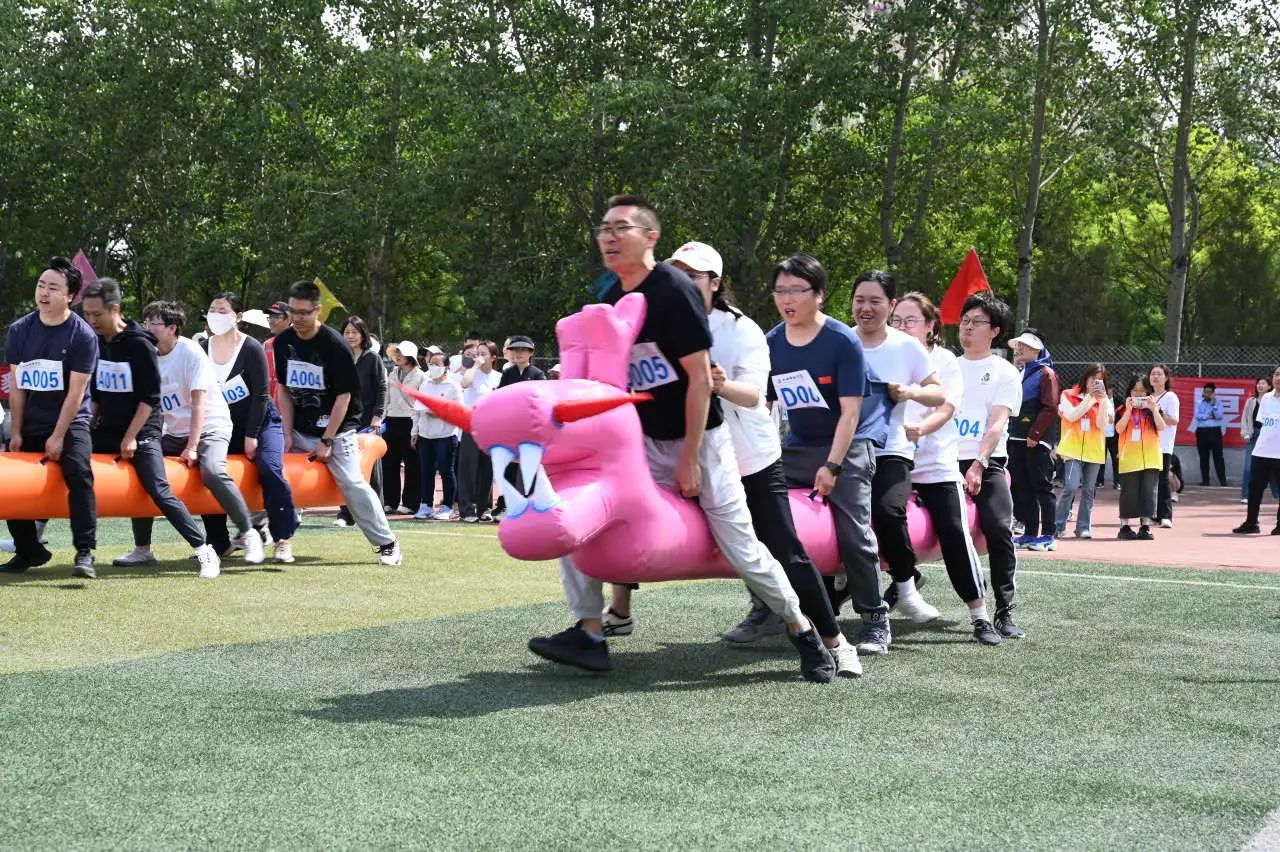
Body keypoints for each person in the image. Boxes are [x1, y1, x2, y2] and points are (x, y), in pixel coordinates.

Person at [527, 196, 834, 682]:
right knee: (576, 517)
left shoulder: (674, 291)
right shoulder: (612, 297)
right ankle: (589, 631)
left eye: (621, 228)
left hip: (703, 439)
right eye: (604, 228)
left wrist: (689, 458)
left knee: (742, 547)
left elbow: (699, 381)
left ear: (650, 237)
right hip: (643, 443)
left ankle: (802, 630)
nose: (609, 237)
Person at [608, 241, 861, 676]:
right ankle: (615, 613)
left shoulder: (741, 330)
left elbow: (756, 395)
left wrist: (718, 385)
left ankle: (835, 642)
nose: (682, 282)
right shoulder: (657, 317)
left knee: (783, 549)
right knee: (626, 507)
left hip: (749, 459)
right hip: (686, 451)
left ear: (715, 283)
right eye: (676, 273)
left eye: (693, 276)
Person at [765, 253, 894, 656]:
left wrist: (832, 466)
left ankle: (874, 617)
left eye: (797, 290)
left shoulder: (842, 341)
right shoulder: (771, 343)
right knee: (764, 519)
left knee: (854, 534)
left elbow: (851, 413)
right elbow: (764, 404)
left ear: (819, 294)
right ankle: (765, 610)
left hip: (848, 446)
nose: (787, 299)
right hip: (797, 447)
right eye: (780, 291)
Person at [78, 280, 221, 577]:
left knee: (157, 488)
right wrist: (84, 426)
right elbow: (98, 396)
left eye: (96, 314)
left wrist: (131, 437)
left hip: (143, 431)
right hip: (108, 429)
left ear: (114, 309)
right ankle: (34, 539)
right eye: (87, 314)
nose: (91, 320)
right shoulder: (97, 342)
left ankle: (203, 550)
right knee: (69, 459)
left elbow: (150, 398)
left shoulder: (140, 344)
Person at [891, 292, 1002, 645]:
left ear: (930, 326)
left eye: (910, 320)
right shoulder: (882, 354)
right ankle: (900, 584)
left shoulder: (944, 361)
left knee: (954, 531)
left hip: (934, 464)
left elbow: (947, 407)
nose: (902, 327)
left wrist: (920, 430)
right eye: (896, 320)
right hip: (890, 459)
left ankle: (980, 615)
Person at [123, 301, 264, 565]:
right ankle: (142, 549)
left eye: (153, 323)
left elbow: (199, 404)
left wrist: (192, 446)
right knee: (143, 468)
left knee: (213, 471)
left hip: (211, 426)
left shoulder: (190, 352)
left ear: (172, 328)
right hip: (174, 431)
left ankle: (248, 533)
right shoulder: (146, 355)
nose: (147, 328)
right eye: (146, 322)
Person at [276, 280, 401, 564]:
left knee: (353, 484)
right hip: (299, 426)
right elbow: (283, 389)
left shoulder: (335, 345)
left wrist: (327, 439)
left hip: (338, 429)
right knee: (273, 474)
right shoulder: (283, 342)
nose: (297, 318)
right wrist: (286, 432)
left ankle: (388, 543)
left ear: (317, 310)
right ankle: (263, 536)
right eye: (293, 312)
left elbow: (344, 398)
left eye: (304, 312)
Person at [851, 270, 945, 622]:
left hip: (891, 449)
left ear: (891, 305)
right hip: (844, 448)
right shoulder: (841, 340)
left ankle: (906, 588)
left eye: (875, 301)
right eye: (860, 300)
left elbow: (938, 394)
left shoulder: (907, 346)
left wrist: (909, 392)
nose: (866, 308)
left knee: (888, 510)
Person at [2, 257, 98, 577]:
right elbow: (18, 388)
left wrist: (58, 436)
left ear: (70, 296)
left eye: (53, 288)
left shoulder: (82, 335)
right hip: (30, 419)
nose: (44, 292)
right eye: (41, 285)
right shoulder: (19, 330)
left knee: (80, 471)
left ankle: (84, 551)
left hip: (71, 421)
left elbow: (76, 393)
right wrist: (16, 431)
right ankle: (29, 550)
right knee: (12, 479)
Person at [201, 293, 299, 563]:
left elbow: (261, 395)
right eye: (212, 309)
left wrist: (251, 435)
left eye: (222, 310)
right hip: (220, 425)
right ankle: (218, 541)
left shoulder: (251, 347)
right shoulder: (202, 348)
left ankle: (282, 538)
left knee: (270, 468)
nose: (216, 315)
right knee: (207, 469)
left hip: (262, 423)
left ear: (238, 315)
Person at [954, 293, 1025, 639]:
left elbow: (996, 424)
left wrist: (979, 464)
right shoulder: (945, 367)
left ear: (995, 331)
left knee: (998, 528)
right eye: (964, 321)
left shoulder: (1005, 372)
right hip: (942, 462)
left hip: (987, 461)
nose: (967, 328)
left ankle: (1004, 609)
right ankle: (905, 585)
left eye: (977, 322)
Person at [1006, 328, 1060, 551]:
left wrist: (1034, 434)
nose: (1019, 349)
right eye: (1018, 345)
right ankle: (1029, 533)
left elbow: (1050, 407)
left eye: (1024, 346)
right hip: (1017, 438)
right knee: (1023, 487)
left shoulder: (1046, 373)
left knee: (1042, 487)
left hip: (1035, 441)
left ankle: (1048, 535)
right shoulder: (1021, 372)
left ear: (1037, 349)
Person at [335, 317, 386, 524]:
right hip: (344, 421)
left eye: (354, 332)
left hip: (367, 421)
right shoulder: (339, 357)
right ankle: (346, 514)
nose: (350, 336)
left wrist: (377, 415)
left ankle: (376, 513)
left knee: (371, 469)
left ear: (363, 334)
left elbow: (382, 387)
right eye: (346, 332)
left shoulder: (372, 358)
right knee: (345, 468)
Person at [1054, 364, 1113, 539]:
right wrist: (1089, 398)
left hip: (1094, 451)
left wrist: (1103, 401)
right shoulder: (1067, 394)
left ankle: (1083, 527)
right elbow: (1072, 415)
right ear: (1086, 378)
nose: (1095, 382)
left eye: (1100, 380)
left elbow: (1102, 424)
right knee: (1071, 487)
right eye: (1093, 378)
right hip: (1072, 449)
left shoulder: (1105, 400)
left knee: (1089, 490)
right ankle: (1058, 525)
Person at [411, 347, 461, 520]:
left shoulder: (453, 387)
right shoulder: (425, 384)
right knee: (426, 471)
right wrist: (414, 431)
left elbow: (459, 411)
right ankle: (425, 505)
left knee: (446, 471)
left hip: (446, 436)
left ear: (446, 367)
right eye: (431, 364)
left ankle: (447, 506)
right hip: (426, 435)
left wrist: (439, 412)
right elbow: (416, 410)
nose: (433, 367)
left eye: (437, 364)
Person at [1115, 374, 1166, 540]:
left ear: (1148, 392)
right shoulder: (1122, 409)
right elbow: (1118, 429)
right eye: (1135, 390)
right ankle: (1124, 527)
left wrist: (1154, 409)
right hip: (1129, 458)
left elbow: (1162, 427)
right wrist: (1128, 411)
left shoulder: (1154, 408)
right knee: (1128, 493)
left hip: (1151, 458)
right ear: (1129, 391)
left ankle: (1145, 526)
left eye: (1142, 390)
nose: (1138, 394)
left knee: (1149, 493)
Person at [457, 340, 501, 523]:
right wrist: (475, 366)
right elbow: (464, 383)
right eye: (477, 353)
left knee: (487, 469)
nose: (479, 357)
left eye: (483, 353)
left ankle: (484, 508)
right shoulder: (473, 373)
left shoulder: (499, 377)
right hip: (472, 424)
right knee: (468, 467)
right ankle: (467, 510)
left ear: (493, 357)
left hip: (491, 428)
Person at [1233, 365, 1280, 535]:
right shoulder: (1266, 398)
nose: (1278, 378)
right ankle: (1251, 523)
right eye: (1276, 374)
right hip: (1261, 451)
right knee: (1254, 489)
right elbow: (1262, 423)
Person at [381, 340, 424, 518]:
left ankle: (411, 503)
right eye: (396, 353)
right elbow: (386, 399)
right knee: (389, 462)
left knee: (412, 464)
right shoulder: (392, 373)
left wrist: (417, 428)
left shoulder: (421, 376)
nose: (398, 356)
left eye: (402, 353)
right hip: (391, 421)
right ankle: (389, 501)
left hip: (410, 421)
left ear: (411, 356)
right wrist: (382, 418)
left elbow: (420, 404)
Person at [1148, 364, 1180, 526]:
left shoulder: (1170, 397)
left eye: (1159, 374)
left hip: (1163, 445)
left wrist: (1156, 411)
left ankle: (1166, 515)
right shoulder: (1148, 397)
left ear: (1166, 378)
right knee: (1150, 481)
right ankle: (1154, 514)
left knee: (1163, 479)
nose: (1155, 377)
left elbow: (1174, 420)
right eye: (1153, 374)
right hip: (1148, 443)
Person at [1239, 375, 1279, 504]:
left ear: (1269, 386)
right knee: (1248, 467)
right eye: (1258, 383)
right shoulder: (1251, 401)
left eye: (1263, 383)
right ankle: (1246, 495)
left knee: (1273, 468)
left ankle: (1277, 493)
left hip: (1270, 436)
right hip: (1254, 435)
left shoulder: (1273, 401)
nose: (1260, 386)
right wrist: (1246, 433)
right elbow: (1245, 419)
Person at [1190, 382, 1228, 486]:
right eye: (1205, 392)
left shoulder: (1218, 403)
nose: (1207, 394)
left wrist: (1213, 405)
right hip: (1202, 432)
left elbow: (1219, 416)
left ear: (1213, 393)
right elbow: (1198, 416)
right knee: (1203, 457)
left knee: (1218, 457)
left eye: (1209, 392)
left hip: (1215, 431)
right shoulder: (1199, 402)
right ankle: (1205, 481)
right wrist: (1209, 415)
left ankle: (1223, 481)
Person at [262, 301, 290, 404]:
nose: (271, 321)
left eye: (276, 317)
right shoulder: (266, 345)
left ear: (289, 319)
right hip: (269, 408)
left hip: (290, 408)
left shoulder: (299, 344)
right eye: (270, 317)